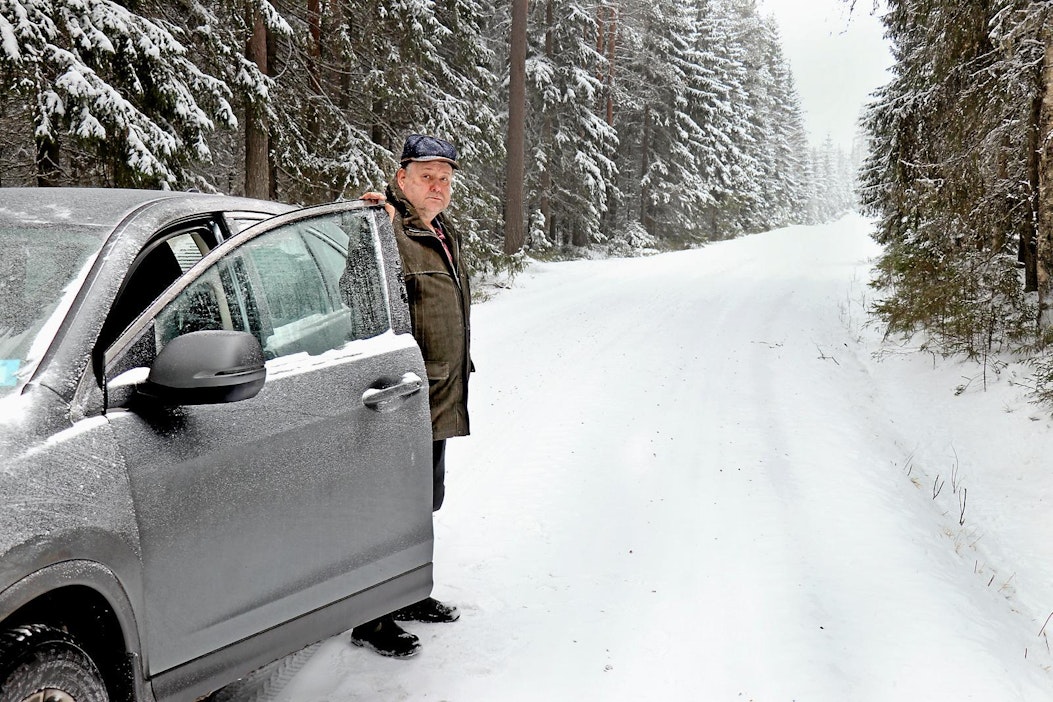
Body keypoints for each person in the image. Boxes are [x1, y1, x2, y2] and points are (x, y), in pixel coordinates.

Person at [350, 134, 473, 658]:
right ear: (401, 178)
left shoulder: (442, 231)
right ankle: (371, 619)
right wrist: (366, 222)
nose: (438, 186)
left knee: (423, 501)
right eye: (427, 176)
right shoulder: (384, 227)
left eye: (444, 178)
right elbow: (356, 300)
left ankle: (407, 592)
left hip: (437, 392)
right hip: (398, 398)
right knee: (389, 509)